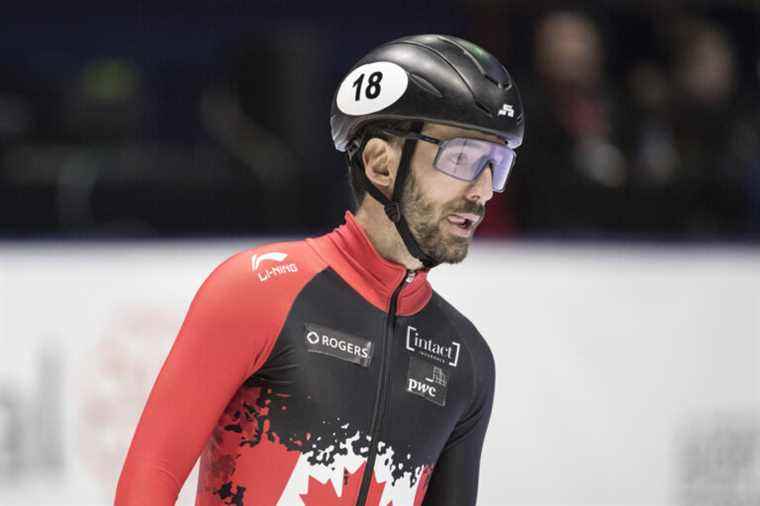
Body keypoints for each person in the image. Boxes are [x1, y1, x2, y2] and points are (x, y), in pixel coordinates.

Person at [115, 34, 525, 506]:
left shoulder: (466, 359)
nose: (484, 190)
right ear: (380, 164)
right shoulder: (259, 291)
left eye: (497, 163)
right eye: (463, 158)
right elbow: (149, 479)